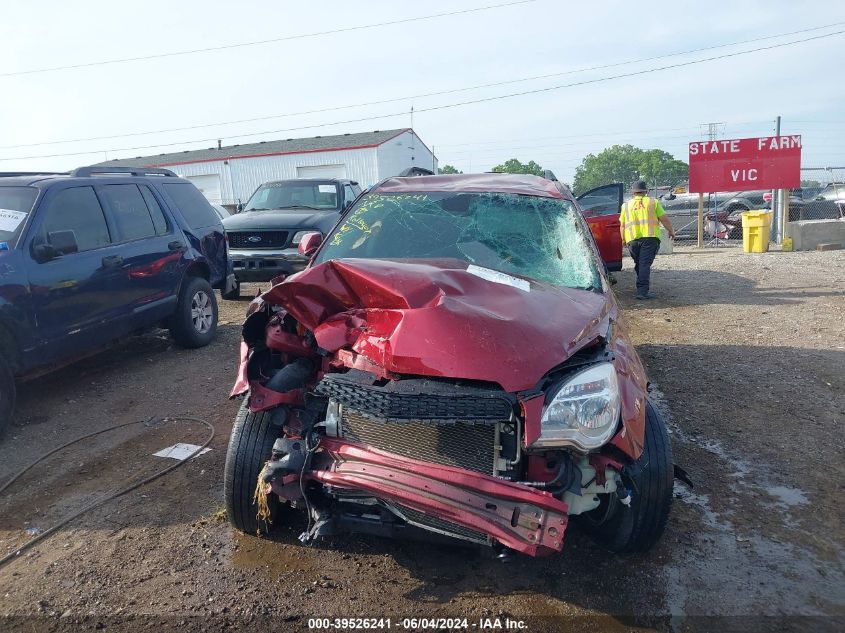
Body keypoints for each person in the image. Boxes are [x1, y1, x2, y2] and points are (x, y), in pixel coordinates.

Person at [620, 180, 675, 300]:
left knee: (639, 264)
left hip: (632, 240)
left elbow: (622, 225)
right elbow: (664, 219)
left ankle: (641, 287)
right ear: (646, 191)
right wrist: (671, 231)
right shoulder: (653, 202)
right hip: (650, 238)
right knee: (644, 264)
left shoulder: (626, 206)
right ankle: (642, 291)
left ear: (633, 192)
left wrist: (623, 239)